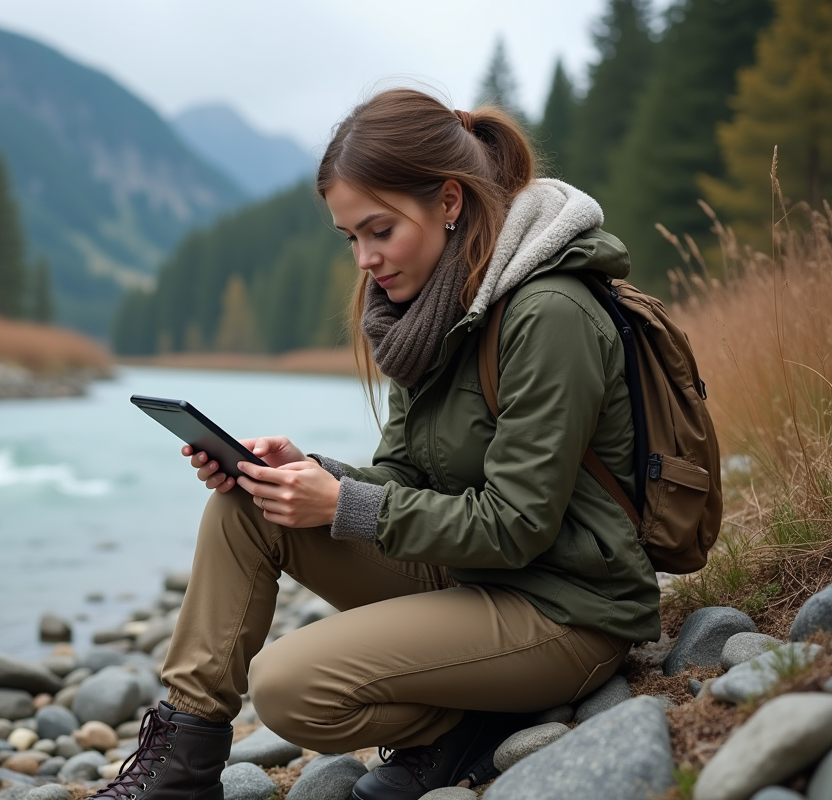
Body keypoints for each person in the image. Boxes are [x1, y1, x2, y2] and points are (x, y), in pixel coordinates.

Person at [89, 88, 661, 800]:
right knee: (248, 506)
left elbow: (518, 525)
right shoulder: (433, 309)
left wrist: (343, 506)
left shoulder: (550, 314)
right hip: (470, 577)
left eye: (379, 231)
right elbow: (401, 474)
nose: (364, 260)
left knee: (288, 686)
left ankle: (458, 729)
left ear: (449, 202)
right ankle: (176, 770)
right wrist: (309, 474)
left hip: (564, 608)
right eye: (350, 237)